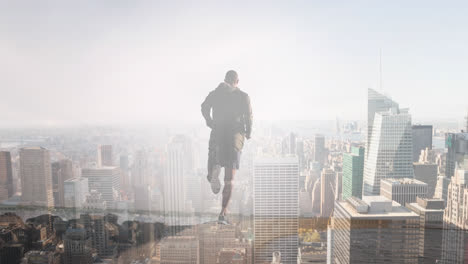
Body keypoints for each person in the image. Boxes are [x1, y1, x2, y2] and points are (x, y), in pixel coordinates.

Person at [201, 70, 252, 223]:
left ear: (225, 80)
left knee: (213, 156)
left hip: (217, 134)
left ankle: (213, 171)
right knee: (230, 179)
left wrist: (209, 122)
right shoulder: (243, 96)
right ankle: (223, 213)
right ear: (237, 81)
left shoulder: (215, 93)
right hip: (234, 140)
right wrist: (248, 133)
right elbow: (249, 117)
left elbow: (204, 107)